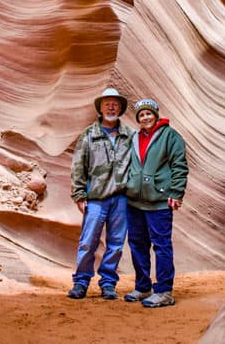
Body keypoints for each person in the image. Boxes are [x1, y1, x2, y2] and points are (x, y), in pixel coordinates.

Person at [67, 87, 134, 300]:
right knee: (88, 241)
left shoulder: (130, 135)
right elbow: (79, 165)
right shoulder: (89, 135)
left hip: (121, 197)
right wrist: (79, 194)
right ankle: (81, 282)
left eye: (115, 104)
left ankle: (108, 283)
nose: (111, 107)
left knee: (115, 243)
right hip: (95, 197)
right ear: (101, 108)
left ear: (120, 108)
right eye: (107, 104)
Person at [124, 98, 188, 307]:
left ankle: (164, 291)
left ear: (156, 114)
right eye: (142, 115)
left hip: (159, 201)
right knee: (137, 245)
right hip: (134, 201)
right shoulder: (134, 138)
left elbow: (179, 166)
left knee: (161, 246)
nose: (146, 118)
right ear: (138, 119)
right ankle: (143, 287)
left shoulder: (170, 136)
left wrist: (176, 192)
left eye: (149, 113)